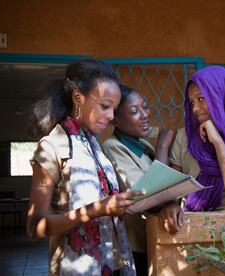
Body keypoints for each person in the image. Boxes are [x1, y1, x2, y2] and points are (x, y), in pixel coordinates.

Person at [26, 59, 143, 276]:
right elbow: (35, 226)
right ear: (78, 97)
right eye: (105, 106)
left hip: (113, 265)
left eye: (114, 109)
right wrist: (95, 210)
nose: (111, 116)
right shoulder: (53, 146)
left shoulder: (92, 145)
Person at [159, 65, 225, 234]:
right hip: (188, 232)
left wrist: (218, 142)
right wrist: (171, 203)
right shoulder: (185, 138)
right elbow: (172, 191)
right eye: (192, 102)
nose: (196, 109)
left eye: (201, 99)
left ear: (222, 97)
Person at [102, 84, 175, 276]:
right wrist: (162, 147)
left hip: (152, 237)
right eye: (134, 111)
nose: (144, 115)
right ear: (115, 120)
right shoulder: (113, 147)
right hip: (135, 247)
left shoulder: (141, 143)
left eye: (145, 106)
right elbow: (148, 195)